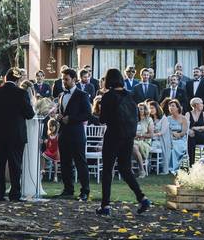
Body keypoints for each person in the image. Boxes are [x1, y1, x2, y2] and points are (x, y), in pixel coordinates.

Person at [96, 68, 150, 216]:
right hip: (128, 137)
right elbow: (137, 117)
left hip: (113, 135)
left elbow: (103, 119)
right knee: (125, 169)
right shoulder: (130, 95)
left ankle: (105, 205)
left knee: (107, 170)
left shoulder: (108, 96)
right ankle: (141, 197)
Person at [0, 68, 34, 202]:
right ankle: (15, 194)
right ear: (17, 80)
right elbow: (30, 114)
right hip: (17, 135)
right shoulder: (21, 93)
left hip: (1, 133)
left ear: (5, 78)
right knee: (15, 165)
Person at [51, 68, 92, 200]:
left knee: (80, 163)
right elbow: (61, 111)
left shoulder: (82, 95)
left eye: (66, 79)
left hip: (77, 134)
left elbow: (87, 114)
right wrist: (58, 116)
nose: (64, 82)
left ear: (74, 80)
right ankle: (68, 189)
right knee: (65, 163)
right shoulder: (61, 95)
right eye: (63, 79)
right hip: (63, 133)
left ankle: (85, 191)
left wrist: (71, 119)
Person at [20, 80, 44, 199]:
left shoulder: (24, 102)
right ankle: (29, 183)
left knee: (26, 157)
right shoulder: (31, 104)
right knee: (29, 157)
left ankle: (26, 184)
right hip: (30, 132)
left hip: (28, 132)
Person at [165, 99, 189, 174]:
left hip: (181, 139)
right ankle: (168, 167)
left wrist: (178, 135)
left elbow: (184, 132)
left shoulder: (183, 118)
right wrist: (172, 134)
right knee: (169, 145)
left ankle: (173, 168)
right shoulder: (168, 118)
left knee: (174, 146)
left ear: (177, 108)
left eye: (173, 106)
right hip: (170, 138)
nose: (170, 108)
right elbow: (166, 130)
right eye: (169, 106)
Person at [185, 97, 204, 168]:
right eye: (201, 103)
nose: (203, 105)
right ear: (196, 105)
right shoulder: (188, 114)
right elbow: (186, 126)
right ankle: (192, 164)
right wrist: (190, 131)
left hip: (203, 137)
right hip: (192, 137)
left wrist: (196, 128)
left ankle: (191, 164)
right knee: (191, 139)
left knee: (192, 136)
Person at [133, 103, 154, 177]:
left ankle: (142, 170)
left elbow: (151, 135)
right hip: (133, 140)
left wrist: (141, 135)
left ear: (145, 110)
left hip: (144, 142)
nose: (139, 110)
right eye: (138, 109)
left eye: (141, 109)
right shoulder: (133, 119)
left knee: (134, 147)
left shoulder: (149, 119)